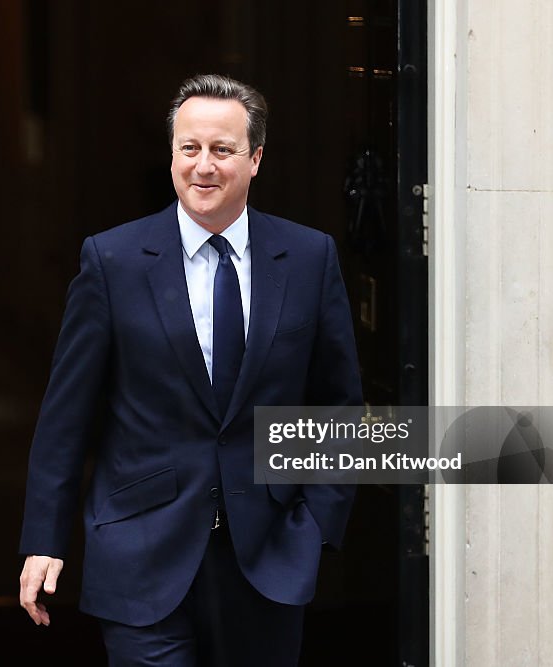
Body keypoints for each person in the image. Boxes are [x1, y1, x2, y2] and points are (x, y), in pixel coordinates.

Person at [18, 74, 362, 666]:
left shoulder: (309, 257)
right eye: (189, 149)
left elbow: (339, 405)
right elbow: (65, 418)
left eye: (222, 150)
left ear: (255, 159)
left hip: (269, 553)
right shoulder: (113, 260)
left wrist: (317, 522)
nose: (203, 166)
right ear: (172, 154)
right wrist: (43, 541)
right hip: (140, 551)